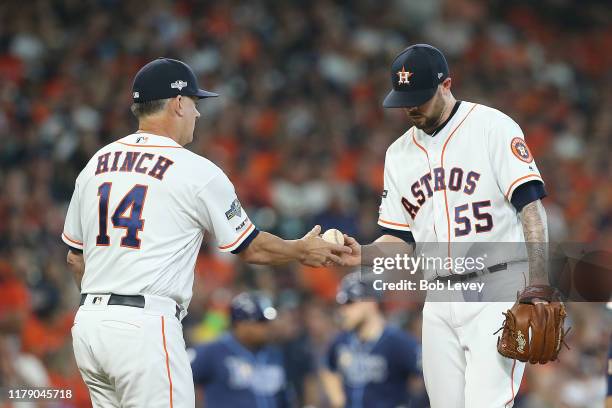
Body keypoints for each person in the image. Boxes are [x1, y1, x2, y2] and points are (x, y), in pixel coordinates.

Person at [62, 57, 350, 407]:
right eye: (195, 104)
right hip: (144, 328)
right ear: (179, 103)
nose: (198, 114)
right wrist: (300, 250)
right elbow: (251, 248)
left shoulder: (97, 163)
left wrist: (110, 300)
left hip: (90, 326)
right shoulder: (195, 170)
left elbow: (75, 258)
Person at [338, 44, 553, 407]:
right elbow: (401, 238)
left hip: (496, 289)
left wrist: (539, 283)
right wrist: (363, 253)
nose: (410, 108)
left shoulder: (492, 127)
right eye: (404, 100)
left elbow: (531, 210)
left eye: (419, 98)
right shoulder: (398, 153)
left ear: (446, 85)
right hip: (438, 298)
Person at [320, 273, 422, 408]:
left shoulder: (398, 342)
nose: (342, 310)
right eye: (340, 304)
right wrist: (337, 400)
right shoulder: (342, 340)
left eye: (349, 302)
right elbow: (327, 367)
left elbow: (429, 375)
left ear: (371, 301)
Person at [190, 292, 291, 407]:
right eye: (261, 322)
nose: (268, 327)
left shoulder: (274, 354)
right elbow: (175, 378)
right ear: (241, 324)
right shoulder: (212, 351)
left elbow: (284, 398)